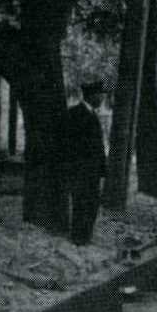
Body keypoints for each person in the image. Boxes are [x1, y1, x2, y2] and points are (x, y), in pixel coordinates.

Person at [64, 80, 107, 245]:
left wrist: (102, 169)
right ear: (92, 95)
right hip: (80, 170)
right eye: (100, 94)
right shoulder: (75, 114)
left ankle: (86, 236)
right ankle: (78, 238)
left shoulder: (93, 114)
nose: (102, 97)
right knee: (81, 203)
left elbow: (99, 146)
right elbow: (70, 144)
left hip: (93, 171)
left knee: (92, 204)